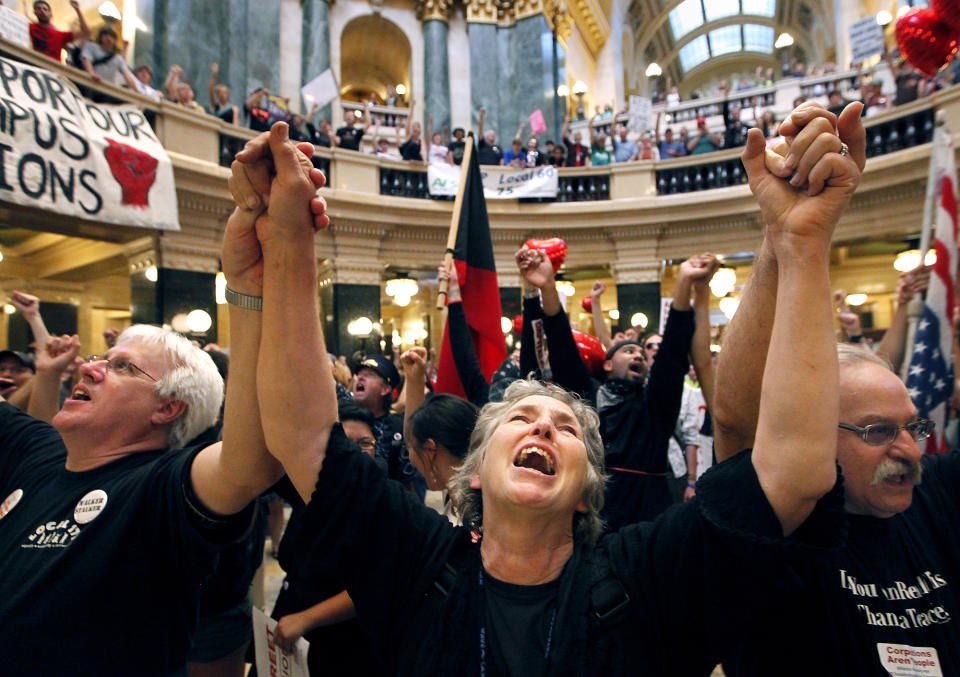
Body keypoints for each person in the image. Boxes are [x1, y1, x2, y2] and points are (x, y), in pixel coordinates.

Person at [231, 112, 854, 673]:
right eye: (520, 417)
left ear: (588, 490)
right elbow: (304, 434)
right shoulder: (415, 561)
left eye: (568, 428)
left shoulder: (649, 576)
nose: (542, 427)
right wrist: (288, 245)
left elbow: (791, 473)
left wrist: (800, 248)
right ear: (472, 475)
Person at [717, 102, 960, 677]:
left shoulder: (938, 498)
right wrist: (789, 237)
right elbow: (738, 420)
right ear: (810, 440)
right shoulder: (788, 528)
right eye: (877, 431)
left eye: (912, 426)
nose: (907, 449)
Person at [80, 26, 139, 91]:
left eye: (111, 37)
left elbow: (127, 76)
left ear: (115, 40)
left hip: (106, 89)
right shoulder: (91, 46)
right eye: (105, 36)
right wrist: (92, 74)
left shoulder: (117, 58)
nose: (108, 38)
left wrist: (138, 92)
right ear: (101, 37)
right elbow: (87, 61)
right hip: (89, 85)